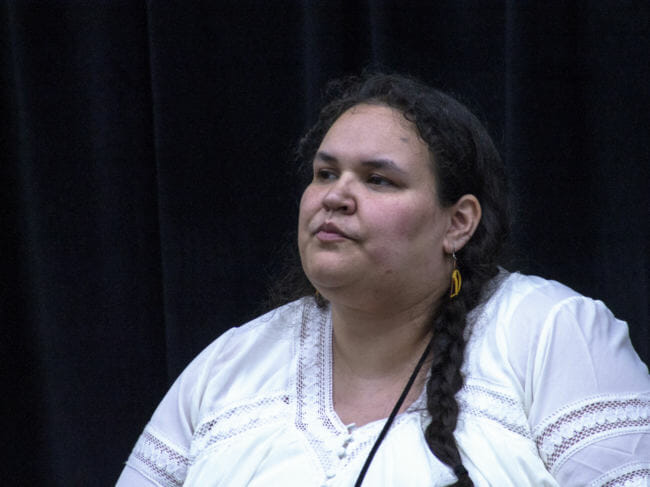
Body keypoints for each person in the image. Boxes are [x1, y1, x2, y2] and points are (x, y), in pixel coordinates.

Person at [116, 73, 650, 487]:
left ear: (458, 222)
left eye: (378, 179)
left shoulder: (551, 333)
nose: (335, 196)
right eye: (325, 173)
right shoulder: (227, 368)